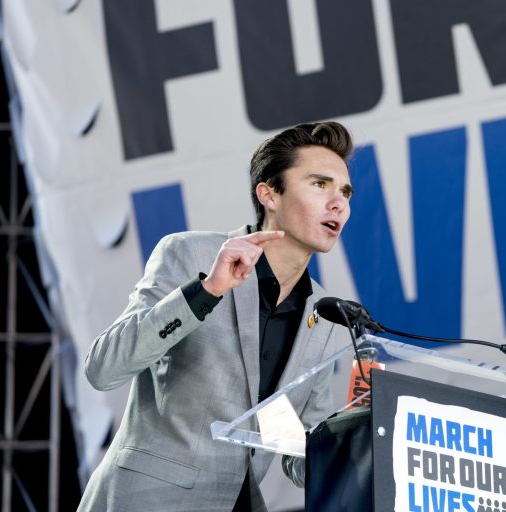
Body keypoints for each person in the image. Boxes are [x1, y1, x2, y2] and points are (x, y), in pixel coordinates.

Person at [78, 122, 355, 511]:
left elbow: (297, 453)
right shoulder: (193, 255)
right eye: (319, 184)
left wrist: (356, 437)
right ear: (269, 194)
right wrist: (204, 292)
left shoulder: (323, 316)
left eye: (345, 191)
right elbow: (104, 369)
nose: (338, 202)